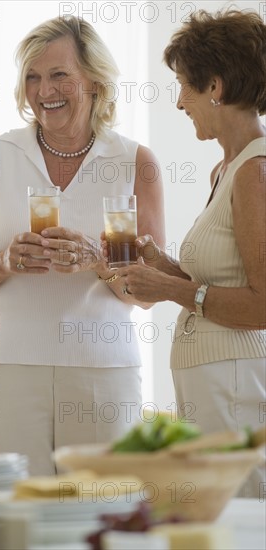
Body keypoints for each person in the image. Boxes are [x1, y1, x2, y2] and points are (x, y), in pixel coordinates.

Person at [0, 16, 165, 475]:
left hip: (102, 368)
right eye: (32, 77)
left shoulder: (134, 161)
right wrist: (5, 262)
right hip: (7, 367)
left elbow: (151, 294)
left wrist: (99, 260)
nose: (43, 90)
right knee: (17, 516)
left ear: (94, 80)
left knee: (103, 514)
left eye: (58, 75)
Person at [118, 9, 266, 497]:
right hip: (213, 384)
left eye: (184, 85)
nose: (180, 101)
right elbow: (219, 282)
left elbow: (262, 304)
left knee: (236, 513)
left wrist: (171, 288)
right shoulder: (225, 171)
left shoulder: (254, 173)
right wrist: (162, 266)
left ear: (215, 86)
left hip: (235, 385)